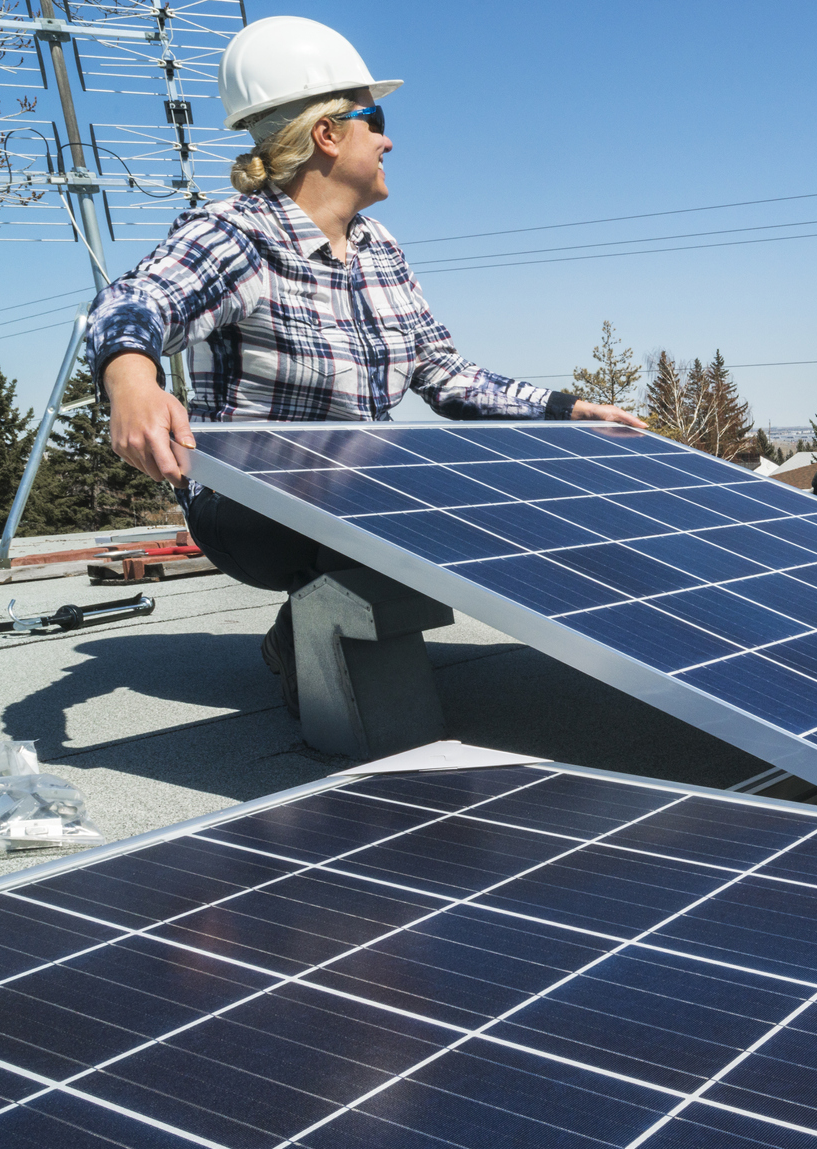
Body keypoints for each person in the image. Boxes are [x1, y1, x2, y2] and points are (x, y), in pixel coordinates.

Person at [92, 16, 643, 715]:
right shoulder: (234, 237)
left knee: (478, 490)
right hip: (248, 504)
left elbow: (446, 376)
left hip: (361, 487)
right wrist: (132, 378)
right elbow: (133, 301)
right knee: (399, 497)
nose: (387, 138)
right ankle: (316, 656)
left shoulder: (379, 247)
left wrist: (566, 411)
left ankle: (309, 631)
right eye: (372, 118)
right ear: (328, 133)